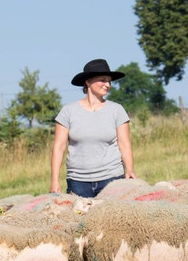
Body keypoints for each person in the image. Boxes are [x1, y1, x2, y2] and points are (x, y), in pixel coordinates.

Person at [50, 59, 135, 197]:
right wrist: (54, 180)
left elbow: (124, 144)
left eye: (109, 81)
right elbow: (59, 147)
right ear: (88, 82)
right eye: (102, 80)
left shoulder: (117, 110)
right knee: (80, 218)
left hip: (111, 179)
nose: (107, 85)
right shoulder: (68, 111)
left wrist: (130, 169)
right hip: (78, 182)